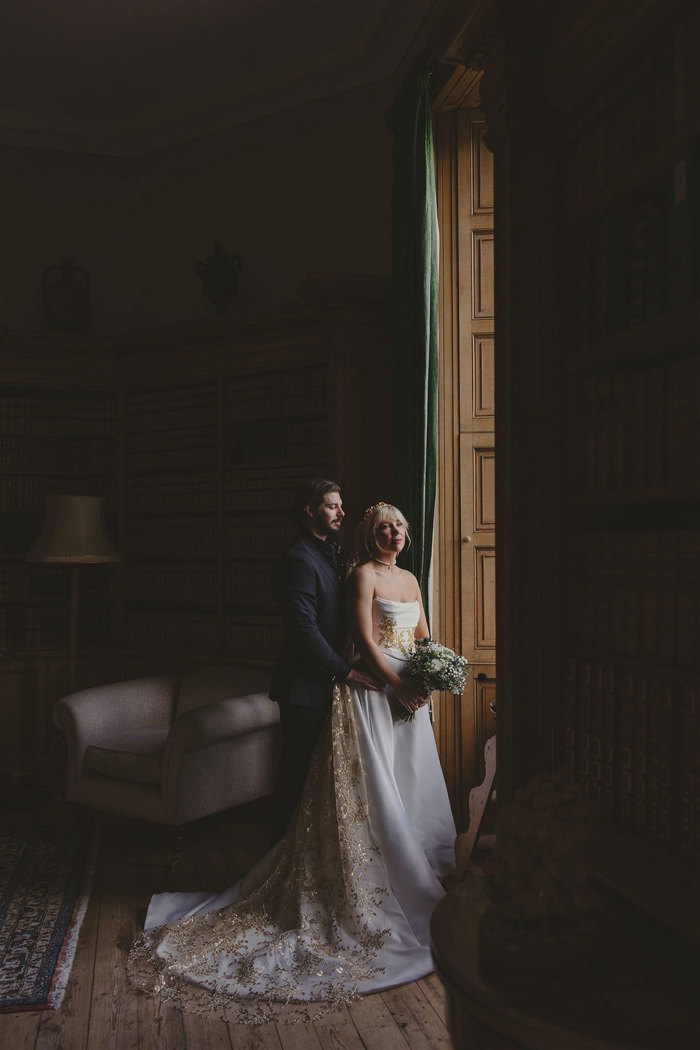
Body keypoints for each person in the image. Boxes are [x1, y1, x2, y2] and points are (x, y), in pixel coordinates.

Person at [128, 502, 457, 1025]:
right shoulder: (361, 576)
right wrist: (394, 684)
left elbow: (421, 639)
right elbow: (366, 642)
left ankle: (420, 866)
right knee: (373, 785)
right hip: (374, 691)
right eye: (383, 527)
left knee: (410, 781)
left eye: (399, 527)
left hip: (408, 694)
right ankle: (380, 878)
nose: (393, 533)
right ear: (369, 536)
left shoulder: (412, 579)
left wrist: (427, 677)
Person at [268, 478, 381, 844]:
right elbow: (304, 633)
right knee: (296, 782)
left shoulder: (329, 552)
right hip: (304, 691)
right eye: (332, 506)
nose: (342, 513)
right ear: (309, 510)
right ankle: (277, 865)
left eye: (340, 506)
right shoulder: (298, 560)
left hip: (326, 687)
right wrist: (346, 670)